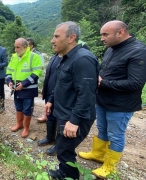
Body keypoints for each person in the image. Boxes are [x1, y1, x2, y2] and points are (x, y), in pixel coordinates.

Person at [78, 20, 146, 179]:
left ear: (120, 32)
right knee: (102, 129)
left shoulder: (138, 51)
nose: (102, 38)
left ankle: (109, 166)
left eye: (105, 34)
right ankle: (98, 154)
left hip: (121, 105)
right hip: (103, 99)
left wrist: (103, 82)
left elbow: (135, 83)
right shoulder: (111, 48)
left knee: (115, 135)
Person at [45, 21, 99, 180]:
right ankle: (63, 172)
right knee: (62, 147)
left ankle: (70, 176)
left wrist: (74, 121)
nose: (52, 40)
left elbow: (87, 94)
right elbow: (61, 82)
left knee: (64, 150)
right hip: (64, 112)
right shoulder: (67, 57)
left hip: (74, 115)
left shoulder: (83, 59)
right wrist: (51, 100)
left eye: (56, 36)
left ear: (71, 38)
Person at [6, 38, 43, 138]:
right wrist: (9, 82)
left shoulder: (34, 57)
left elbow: (37, 73)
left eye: (18, 47)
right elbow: (9, 71)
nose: (16, 49)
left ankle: (26, 128)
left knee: (27, 109)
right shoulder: (14, 57)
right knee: (18, 107)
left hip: (28, 89)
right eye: (15, 47)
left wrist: (24, 84)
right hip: (16, 89)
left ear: (25, 48)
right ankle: (19, 124)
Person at [36, 53, 62, 156]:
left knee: (60, 118)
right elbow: (48, 74)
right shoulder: (55, 56)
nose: (53, 41)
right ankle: (50, 137)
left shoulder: (69, 57)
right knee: (49, 115)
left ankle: (58, 144)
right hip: (49, 93)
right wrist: (45, 89)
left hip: (60, 95)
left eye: (56, 37)